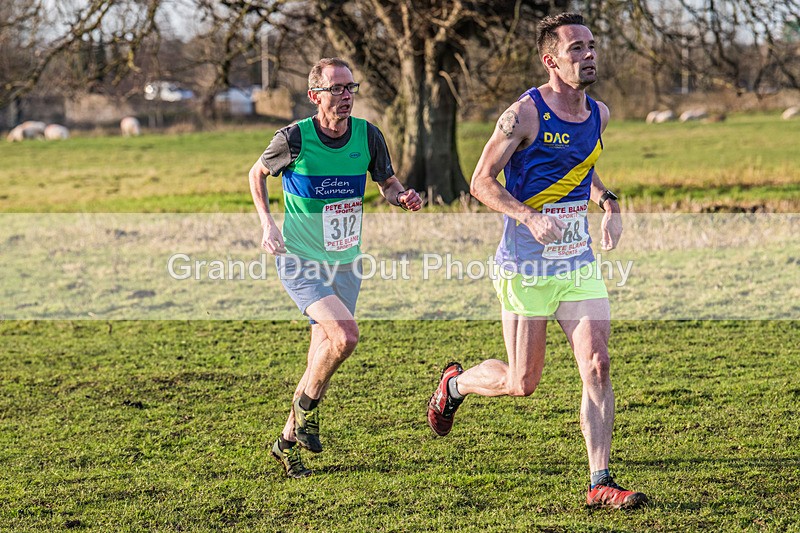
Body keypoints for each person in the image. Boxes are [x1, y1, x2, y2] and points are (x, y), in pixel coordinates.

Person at [426, 13, 647, 509]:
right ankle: (455, 384)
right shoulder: (524, 114)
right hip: (527, 266)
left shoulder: (599, 114)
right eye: (575, 49)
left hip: (577, 263)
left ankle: (599, 481)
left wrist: (609, 204)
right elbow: (480, 182)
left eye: (591, 45)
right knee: (521, 383)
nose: (588, 54)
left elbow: (583, 169)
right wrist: (527, 216)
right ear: (551, 60)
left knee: (597, 362)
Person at [249, 57, 422, 478]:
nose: (346, 96)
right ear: (315, 96)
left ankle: (286, 442)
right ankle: (307, 413)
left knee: (319, 360)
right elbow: (256, 174)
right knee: (345, 337)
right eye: (337, 89)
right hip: (301, 261)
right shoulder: (294, 138)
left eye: (350, 88)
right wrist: (268, 224)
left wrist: (402, 198)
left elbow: (387, 182)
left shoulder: (368, 135)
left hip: (345, 263)